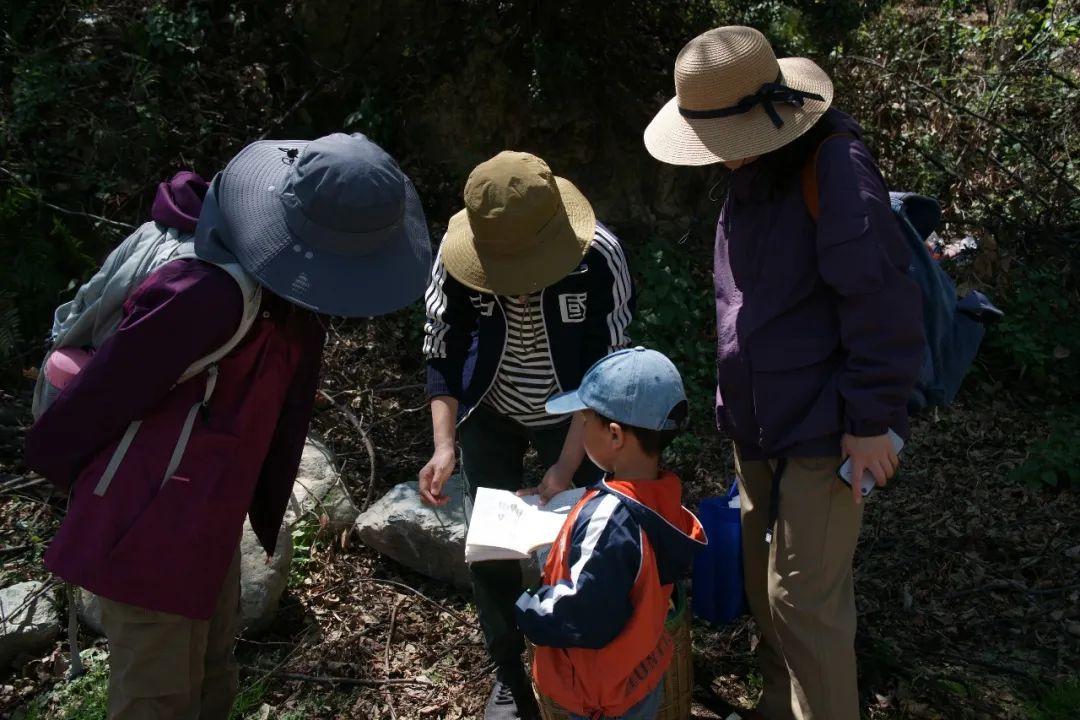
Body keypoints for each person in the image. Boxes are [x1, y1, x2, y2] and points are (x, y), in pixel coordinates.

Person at [24, 133, 433, 719]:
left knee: (214, 678)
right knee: (157, 698)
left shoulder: (280, 295)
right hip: (145, 524)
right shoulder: (208, 293)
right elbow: (100, 397)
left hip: (206, 518)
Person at [643, 26, 924, 720]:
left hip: (828, 425)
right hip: (760, 421)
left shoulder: (833, 169)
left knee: (803, 600)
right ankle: (779, 705)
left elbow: (883, 302)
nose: (717, 158)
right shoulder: (753, 171)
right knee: (764, 583)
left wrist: (874, 419)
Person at [418, 150, 634, 720]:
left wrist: (564, 466)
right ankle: (510, 673)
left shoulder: (599, 257)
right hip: (491, 414)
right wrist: (445, 445)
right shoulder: (455, 256)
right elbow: (441, 348)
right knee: (489, 548)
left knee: (587, 537)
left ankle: (583, 660)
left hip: (575, 418)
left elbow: (603, 374)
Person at [515, 347, 707, 720]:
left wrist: (527, 607)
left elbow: (582, 609)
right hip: (639, 672)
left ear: (615, 435)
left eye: (586, 421)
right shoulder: (663, 493)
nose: (582, 429)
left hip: (600, 693)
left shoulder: (608, 518)